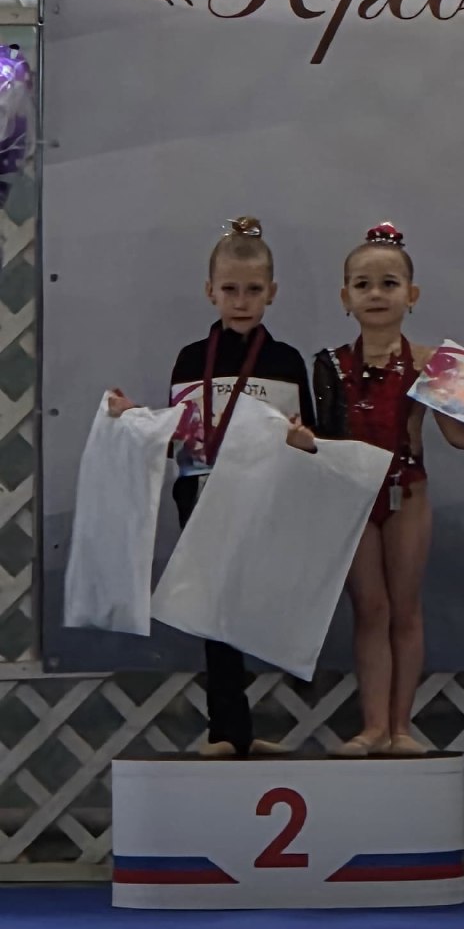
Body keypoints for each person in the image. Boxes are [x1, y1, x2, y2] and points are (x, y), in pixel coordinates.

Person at [314, 223, 464, 756]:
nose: (376, 294)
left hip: (408, 495)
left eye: (389, 283)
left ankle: (401, 727)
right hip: (353, 497)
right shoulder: (329, 365)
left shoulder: (430, 364)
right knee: (370, 608)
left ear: (412, 295)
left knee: (405, 608)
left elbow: (458, 435)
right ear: (345, 297)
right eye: (363, 284)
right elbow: (323, 438)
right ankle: (373, 726)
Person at [104, 215, 317, 759]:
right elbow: (176, 433)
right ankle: (227, 730)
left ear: (272, 292)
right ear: (210, 292)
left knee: (251, 606)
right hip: (201, 494)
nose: (241, 301)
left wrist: (302, 441)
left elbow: (314, 437)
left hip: (266, 497)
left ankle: (239, 727)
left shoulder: (287, 361)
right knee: (215, 608)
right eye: (230, 290)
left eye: (253, 290)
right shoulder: (190, 358)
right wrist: (133, 418)